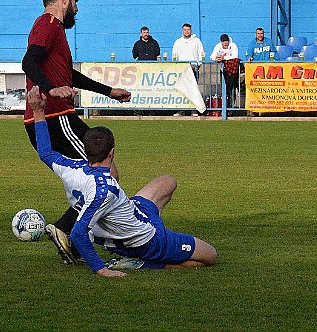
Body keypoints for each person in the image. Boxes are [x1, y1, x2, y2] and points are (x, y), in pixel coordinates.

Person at [27, 86, 217, 277]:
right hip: (145, 241)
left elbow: (45, 152)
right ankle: (142, 262)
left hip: (135, 212)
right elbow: (78, 233)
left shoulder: (71, 168)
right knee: (210, 256)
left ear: (85, 151)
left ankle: (155, 231)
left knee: (168, 182)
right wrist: (101, 269)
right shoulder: (103, 190)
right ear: (112, 152)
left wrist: (38, 111)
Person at [21, 0, 131, 265]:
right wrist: (50, 88)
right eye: (76, 2)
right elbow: (28, 61)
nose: (77, 10)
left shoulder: (54, 29)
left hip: (56, 117)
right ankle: (68, 230)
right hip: (57, 118)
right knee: (107, 174)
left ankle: (75, 236)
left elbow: (68, 75)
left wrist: (109, 91)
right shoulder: (47, 24)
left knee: (97, 179)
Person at [172, 23, 205, 116]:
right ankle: (181, 110)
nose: (187, 31)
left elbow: (201, 54)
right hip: (181, 70)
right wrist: (177, 66)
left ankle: (193, 110)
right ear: (182, 31)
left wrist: (197, 65)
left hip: (193, 69)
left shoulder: (197, 41)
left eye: (188, 30)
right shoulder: (178, 42)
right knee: (181, 90)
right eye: (185, 30)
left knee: (193, 90)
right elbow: (175, 55)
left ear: (191, 30)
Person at [210, 34, 240, 110]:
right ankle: (225, 107)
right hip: (223, 70)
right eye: (223, 41)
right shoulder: (218, 46)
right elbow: (212, 56)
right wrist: (216, 58)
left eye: (226, 41)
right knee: (225, 89)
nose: (225, 43)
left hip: (233, 71)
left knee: (232, 89)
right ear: (221, 42)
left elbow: (235, 56)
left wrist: (224, 58)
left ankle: (231, 108)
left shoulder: (233, 45)